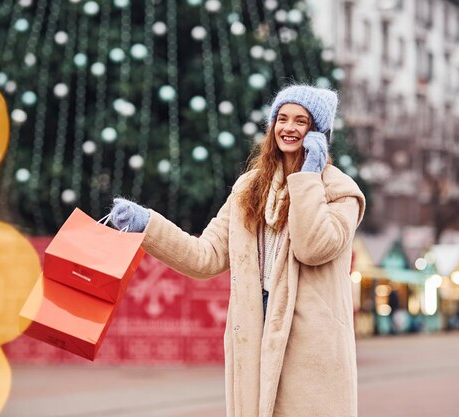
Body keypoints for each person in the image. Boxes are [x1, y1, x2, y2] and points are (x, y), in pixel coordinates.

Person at [109, 84, 366, 417]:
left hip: (308, 342)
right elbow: (206, 256)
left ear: (318, 132)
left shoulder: (341, 193)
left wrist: (308, 177)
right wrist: (147, 224)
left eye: (301, 121)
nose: (288, 128)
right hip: (253, 327)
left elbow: (311, 247)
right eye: (282, 119)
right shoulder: (249, 189)